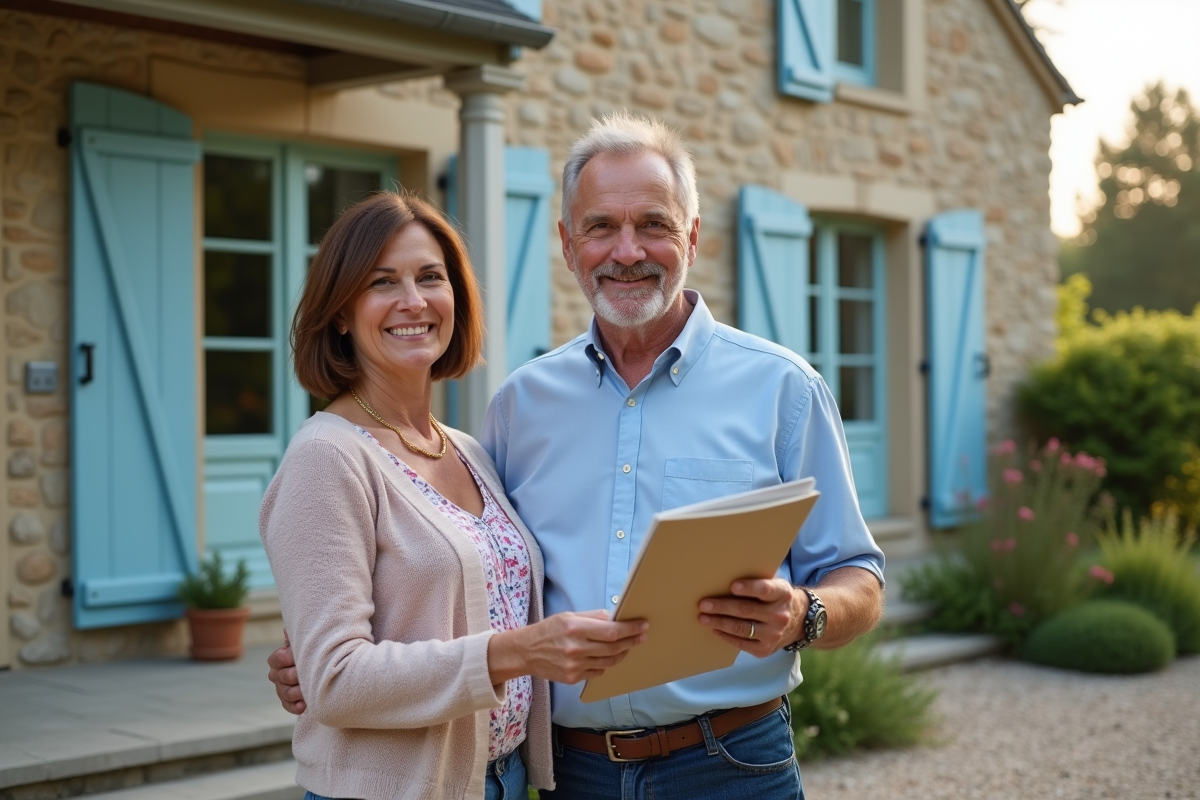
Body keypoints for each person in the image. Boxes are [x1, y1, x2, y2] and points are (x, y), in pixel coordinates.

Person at [269, 114, 885, 799]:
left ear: (692, 235)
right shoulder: (519, 406)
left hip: (729, 763)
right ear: (567, 244)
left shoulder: (783, 390)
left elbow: (859, 575)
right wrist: (328, 664)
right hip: (571, 772)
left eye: (652, 223)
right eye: (600, 227)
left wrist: (804, 614)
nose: (627, 251)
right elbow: (425, 598)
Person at [260, 192, 646, 800]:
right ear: (340, 313)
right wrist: (517, 652)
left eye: (430, 277)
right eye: (381, 282)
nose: (412, 301)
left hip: (501, 778)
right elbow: (334, 679)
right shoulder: (327, 457)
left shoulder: (466, 449)